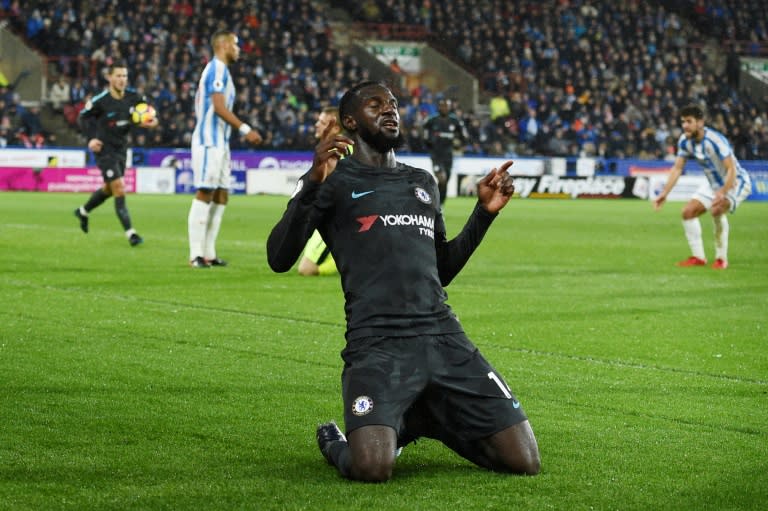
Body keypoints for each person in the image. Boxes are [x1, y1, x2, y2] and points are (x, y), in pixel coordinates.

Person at [267, 81, 540, 482]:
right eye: (375, 105)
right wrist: (311, 183)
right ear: (349, 122)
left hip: (443, 336)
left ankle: (421, 418)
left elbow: (441, 269)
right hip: (378, 343)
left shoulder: (422, 182)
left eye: (393, 104)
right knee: (372, 468)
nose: (390, 110)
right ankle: (335, 441)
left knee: (523, 461)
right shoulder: (333, 181)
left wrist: (483, 214)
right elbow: (279, 258)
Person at [187, 29, 262, 269]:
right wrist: (245, 129)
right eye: (236, 44)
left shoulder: (223, 71)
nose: (238, 49)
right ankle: (195, 254)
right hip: (208, 141)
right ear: (224, 45)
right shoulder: (217, 68)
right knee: (206, 192)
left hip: (220, 142)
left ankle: (209, 253)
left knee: (221, 195)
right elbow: (218, 107)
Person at [653, 103, 753, 269]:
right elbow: (677, 168)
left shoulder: (715, 140)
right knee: (687, 212)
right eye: (683, 121)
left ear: (700, 122)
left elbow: (731, 169)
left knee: (716, 210)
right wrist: (664, 193)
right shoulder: (685, 141)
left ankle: (721, 259)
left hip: (735, 181)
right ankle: (698, 257)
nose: (685, 125)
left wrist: (723, 191)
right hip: (712, 184)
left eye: (689, 121)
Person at [73, 60, 158, 246]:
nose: (122, 79)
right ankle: (131, 234)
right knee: (119, 187)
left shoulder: (134, 97)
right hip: (104, 150)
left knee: (110, 188)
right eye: (118, 76)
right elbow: (82, 118)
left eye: (125, 76)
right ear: (109, 77)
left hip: (121, 149)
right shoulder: (100, 101)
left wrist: (151, 122)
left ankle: (83, 211)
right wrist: (90, 139)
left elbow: (149, 115)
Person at [297, 106, 342, 277]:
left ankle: (357, 263)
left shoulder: (340, 153)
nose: (316, 124)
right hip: (322, 218)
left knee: (306, 269)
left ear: (335, 128)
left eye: (322, 122)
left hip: (336, 221)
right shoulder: (327, 150)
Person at [423, 98, 468, 205]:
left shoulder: (455, 121)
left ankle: (439, 204)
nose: (444, 108)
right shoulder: (432, 120)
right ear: (439, 107)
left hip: (448, 156)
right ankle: (437, 203)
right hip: (436, 155)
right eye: (442, 106)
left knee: (445, 181)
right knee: (442, 178)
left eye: (446, 106)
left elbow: (465, 136)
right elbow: (424, 132)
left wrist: (460, 144)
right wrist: (429, 143)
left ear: (450, 107)